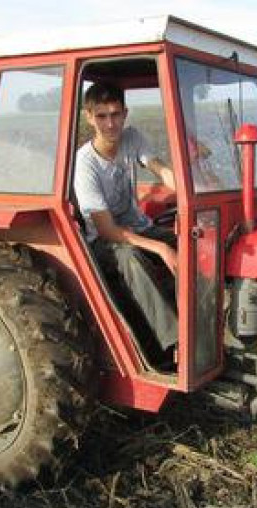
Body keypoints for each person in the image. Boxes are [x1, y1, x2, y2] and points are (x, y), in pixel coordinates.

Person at [72, 81, 178, 363]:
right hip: (103, 241)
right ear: (89, 117)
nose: (110, 124)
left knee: (190, 244)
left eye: (115, 114)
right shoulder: (85, 164)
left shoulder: (131, 138)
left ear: (125, 114)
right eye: (102, 116)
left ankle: (206, 319)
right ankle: (173, 346)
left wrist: (184, 186)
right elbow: (106, 229)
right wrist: (159, 249)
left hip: (138, 226)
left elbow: (158, 167)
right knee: (131, 258)